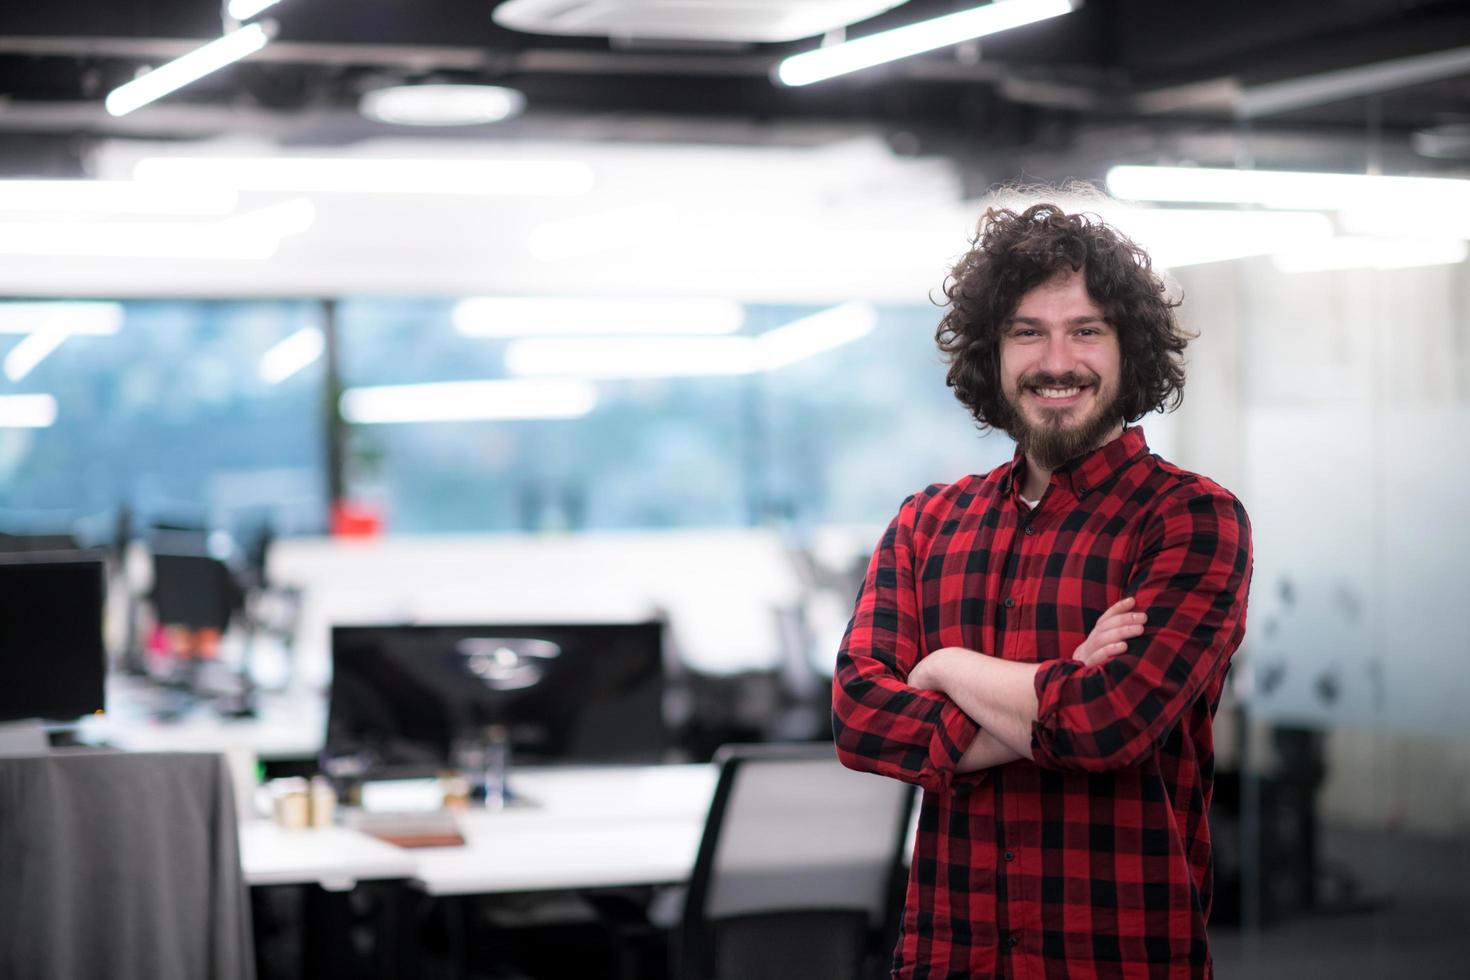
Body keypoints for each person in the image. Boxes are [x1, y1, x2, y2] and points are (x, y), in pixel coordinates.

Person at [832, 201, 1252, 978]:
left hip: (1115, 959)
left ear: (1132, 350)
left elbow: (1108, 728)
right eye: (1029, 331)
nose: (1057, 360)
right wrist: (1058, 693)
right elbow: (860, 716)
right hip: (947, 958)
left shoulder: (1192, 519)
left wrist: (948, 666)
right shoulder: (928, 523)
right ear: (992, 354)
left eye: (1087, 330)